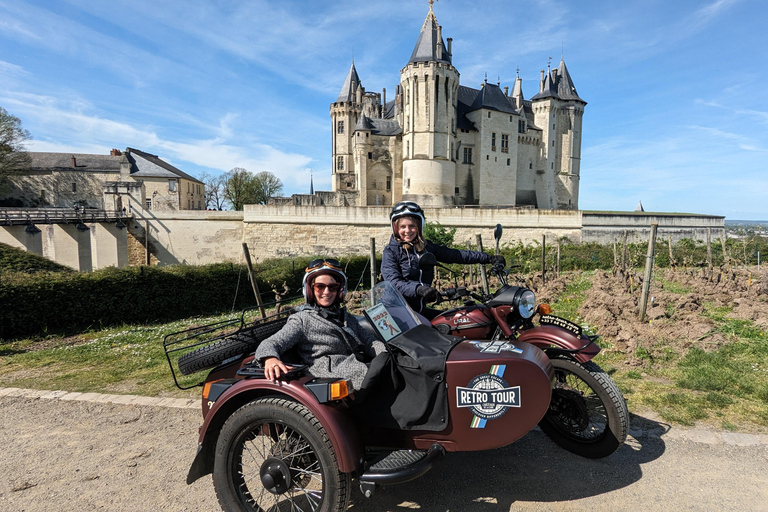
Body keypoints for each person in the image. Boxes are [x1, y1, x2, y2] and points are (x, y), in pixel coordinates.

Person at [253, 258, 386, 390]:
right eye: (320, 286)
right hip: (332, 378)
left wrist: (386, 353)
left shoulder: (345, 317)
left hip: (357, 370)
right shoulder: (302, 320)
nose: (326, 292)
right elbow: (270, 343)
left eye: (332, 287)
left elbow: (370, 342)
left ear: (340, 289)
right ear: (310, 289)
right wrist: (270, 359)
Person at [381, 201, 505, 319]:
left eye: (412, 226)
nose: (407, 231)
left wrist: (488, 258)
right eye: (403, 227)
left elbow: (455, 255)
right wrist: (419, 289)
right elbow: (393, 282)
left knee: (456, 323)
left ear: (419, 227)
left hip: (417, 309)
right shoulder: (391, 252)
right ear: (396, 228)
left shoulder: (426, 247)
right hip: (396, 312)